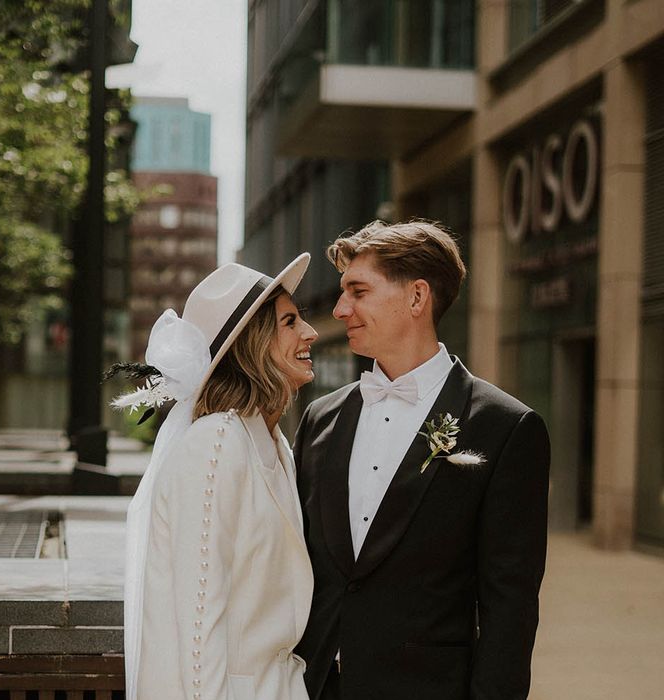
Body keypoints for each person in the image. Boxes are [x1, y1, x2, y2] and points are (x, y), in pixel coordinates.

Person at [293, 221, 550, 700]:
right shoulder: (318, 419)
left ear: (417, 298)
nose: (339, 308)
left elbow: (509, 606)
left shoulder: (506, 428)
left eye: (358, 291)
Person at [114, 254, 319, 700]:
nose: (310, 333)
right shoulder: (217, 443)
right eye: (289, 322)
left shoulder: (274, 443)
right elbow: (197, 630)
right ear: (254, 343)